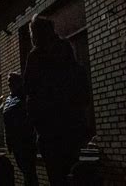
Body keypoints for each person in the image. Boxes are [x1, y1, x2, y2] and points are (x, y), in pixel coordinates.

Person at [24, 14, 88, 186]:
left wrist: (35, 122)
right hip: (72, 125)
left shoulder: (36, 56)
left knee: (56, 175)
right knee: (71, 172)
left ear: (35, 33)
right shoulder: (67, 50)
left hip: (49, 129)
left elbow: (30, 90)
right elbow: (80, 85)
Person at [3, 73, 38, 186]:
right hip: (15, 141)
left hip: (25, 140)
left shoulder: (24, 97)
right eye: (9, 82)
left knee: (29, 171)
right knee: (24, 170)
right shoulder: (9, 99)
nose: (9, 84)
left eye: (12, 81)